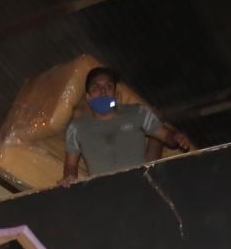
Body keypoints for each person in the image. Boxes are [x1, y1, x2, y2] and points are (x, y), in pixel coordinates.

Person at [60, 66, 194, 185]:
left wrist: (177, 137)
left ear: (115, 95)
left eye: (108, 86)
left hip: (141, 186)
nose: (103, 91)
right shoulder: (76, 128)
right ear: (88, 97)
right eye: (96, 87)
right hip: (104, 193)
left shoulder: (137, 112)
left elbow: (166, 136)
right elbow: (71, 165)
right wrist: (69, 177)